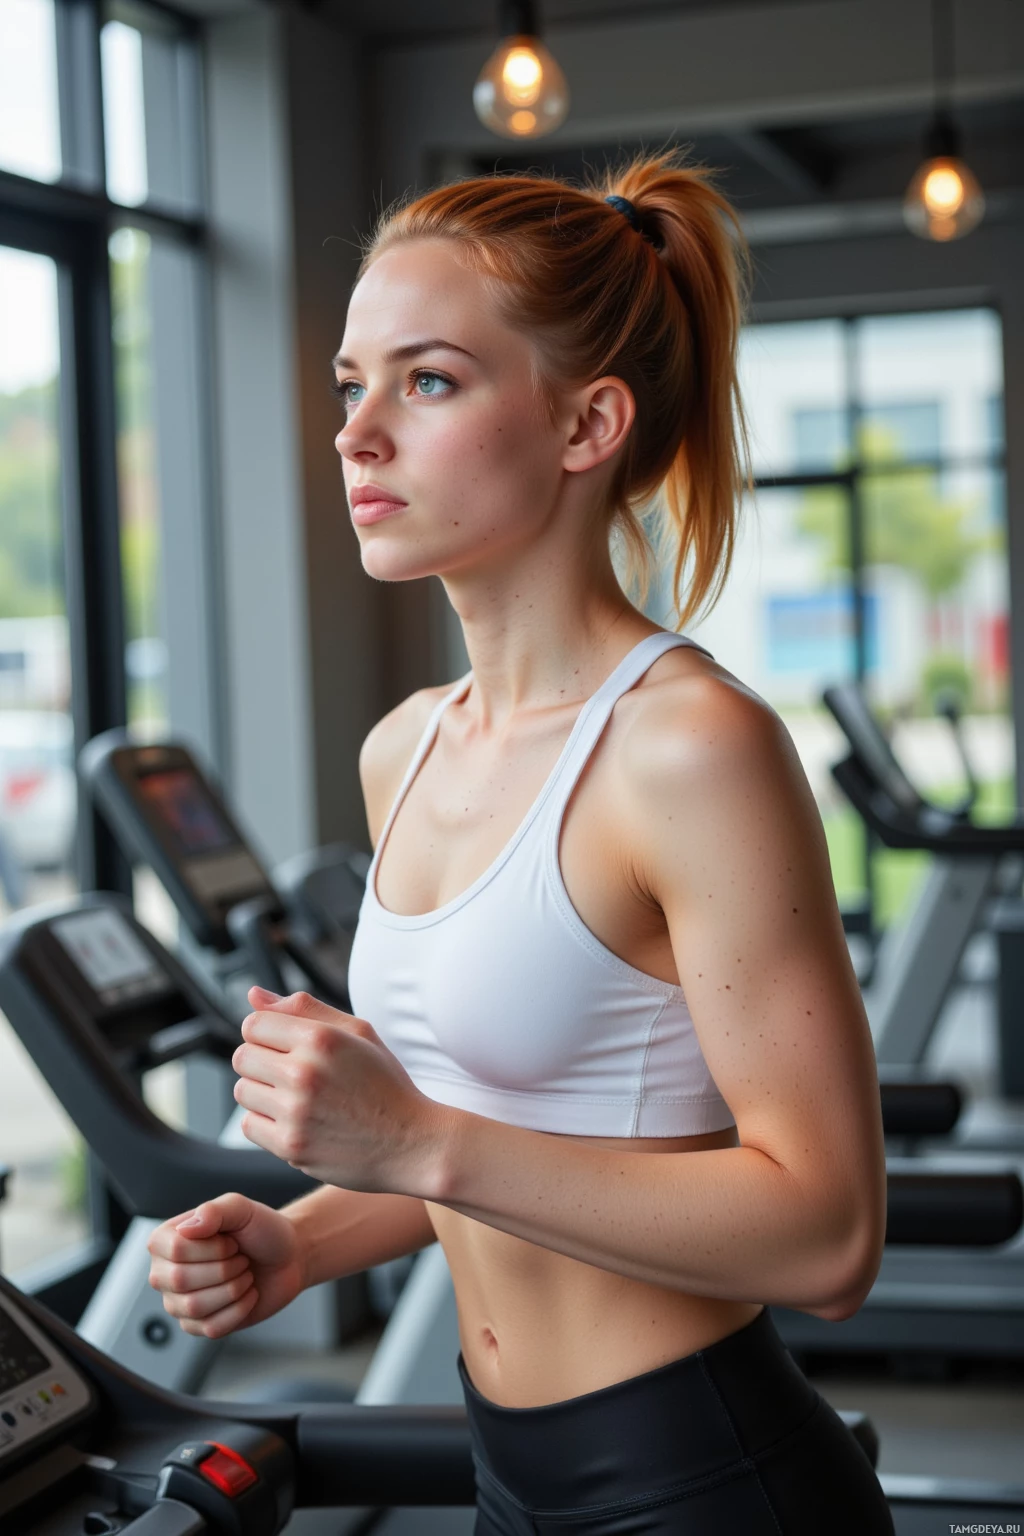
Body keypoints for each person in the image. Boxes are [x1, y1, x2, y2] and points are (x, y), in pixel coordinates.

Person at [147, 152, 892, 1534]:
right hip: (511, 1481)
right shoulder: (407, 746)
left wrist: (416, 1138)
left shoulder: (689, 748)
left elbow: (830, 1235)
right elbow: (508, 1141)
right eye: (350, 384)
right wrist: (301, 1239)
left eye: (427, 381)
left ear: (586, 423)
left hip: (705, 1482)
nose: (358, 434)